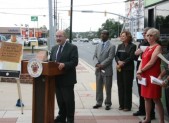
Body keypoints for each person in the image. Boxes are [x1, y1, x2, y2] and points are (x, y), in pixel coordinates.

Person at [49, 30, 78, 123]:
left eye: (60, 36)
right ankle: (61, 117)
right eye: (56, 36)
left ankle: (70, 119)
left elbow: (74, 62)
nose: (58, 38)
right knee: (60, 101)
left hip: (67, 80)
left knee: (68, 101)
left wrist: (64, 65)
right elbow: (51, 62)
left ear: (65, 37)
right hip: (56, 80)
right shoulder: (54, 48)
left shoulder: (72, 47)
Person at [136, 28, 165, 123]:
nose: (148, 37)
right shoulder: (147, 47)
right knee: (146, 98)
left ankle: (161, 121)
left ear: (156, 36)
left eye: (151, 35)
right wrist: (139, 71)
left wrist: (141, 71)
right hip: (144, 74)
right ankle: (147, 118)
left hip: (152, 75)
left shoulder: (158, 47)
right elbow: (142, 61)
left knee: (156, 98)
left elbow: (151, 62)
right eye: (147, 35)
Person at [133, 27, 156, 120]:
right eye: (144, 34)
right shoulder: (142, 43)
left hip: (148, 70)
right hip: (140, 69)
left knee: (150, 94)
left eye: (146, 34)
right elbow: (137, 58)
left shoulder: (153, 45)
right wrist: (137, 53)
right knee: (141, 91)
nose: (145, 36)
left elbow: (152, 61)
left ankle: (151, 114)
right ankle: (142, 109)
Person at [93, 30, 116, 110]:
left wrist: (101, 65)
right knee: (99, 87)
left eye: (104, 34)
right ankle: (98, 102)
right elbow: (95, 56)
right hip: (98, 70)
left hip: (107, 70)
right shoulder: (98, 45)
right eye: (101, 34)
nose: (102, 35)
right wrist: (97, 64)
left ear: (108, 35)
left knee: (108, 88)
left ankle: (108, 103)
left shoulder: (112, 46)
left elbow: (110, 57)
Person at [115, 30, 136, 111]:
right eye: (121, 36)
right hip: (120, 69)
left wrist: (123, 63)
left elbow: (131, 57)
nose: (121, 37)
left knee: (127, 87)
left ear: (128, 37)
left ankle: (127, 106)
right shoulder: (120, 46)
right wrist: (118, 61)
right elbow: (116, 55)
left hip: (128, 69)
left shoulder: (132, 46)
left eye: (123, 36)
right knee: (120, 86)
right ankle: (121, 105)